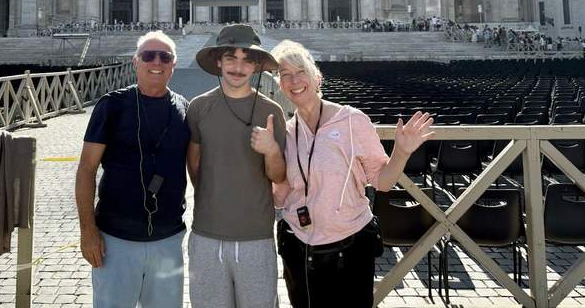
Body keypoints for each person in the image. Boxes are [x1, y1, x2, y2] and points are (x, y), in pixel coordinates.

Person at [271, 40, 433, 308]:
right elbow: (281, 196)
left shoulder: (352, 120)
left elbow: (382, 181)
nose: (294, 80)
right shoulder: (286, 132)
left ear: (317, 77)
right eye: (285, 75)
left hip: (350, 246)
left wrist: (402, 153)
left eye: (301, 72)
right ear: (280, 85)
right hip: (299, 248)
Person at [75, 31, 190, 308]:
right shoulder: (111, 105)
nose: (157, 62)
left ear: (174, 63)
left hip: (168, 239)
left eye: (165, 56)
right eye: (148, 55)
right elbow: (86, 169)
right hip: (115, 239)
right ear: (135, 62)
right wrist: (88, 232)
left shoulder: (185, 109)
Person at [186, 24, 286, 308]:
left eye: (247, 60)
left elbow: (278, 176)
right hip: (206, 235)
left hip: (256, 236)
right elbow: (194, 167)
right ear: (218, 61)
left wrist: (272, 150)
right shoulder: (198, 108)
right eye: (231, 58)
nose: (238, 67)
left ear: (256, 67)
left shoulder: (271, 111)